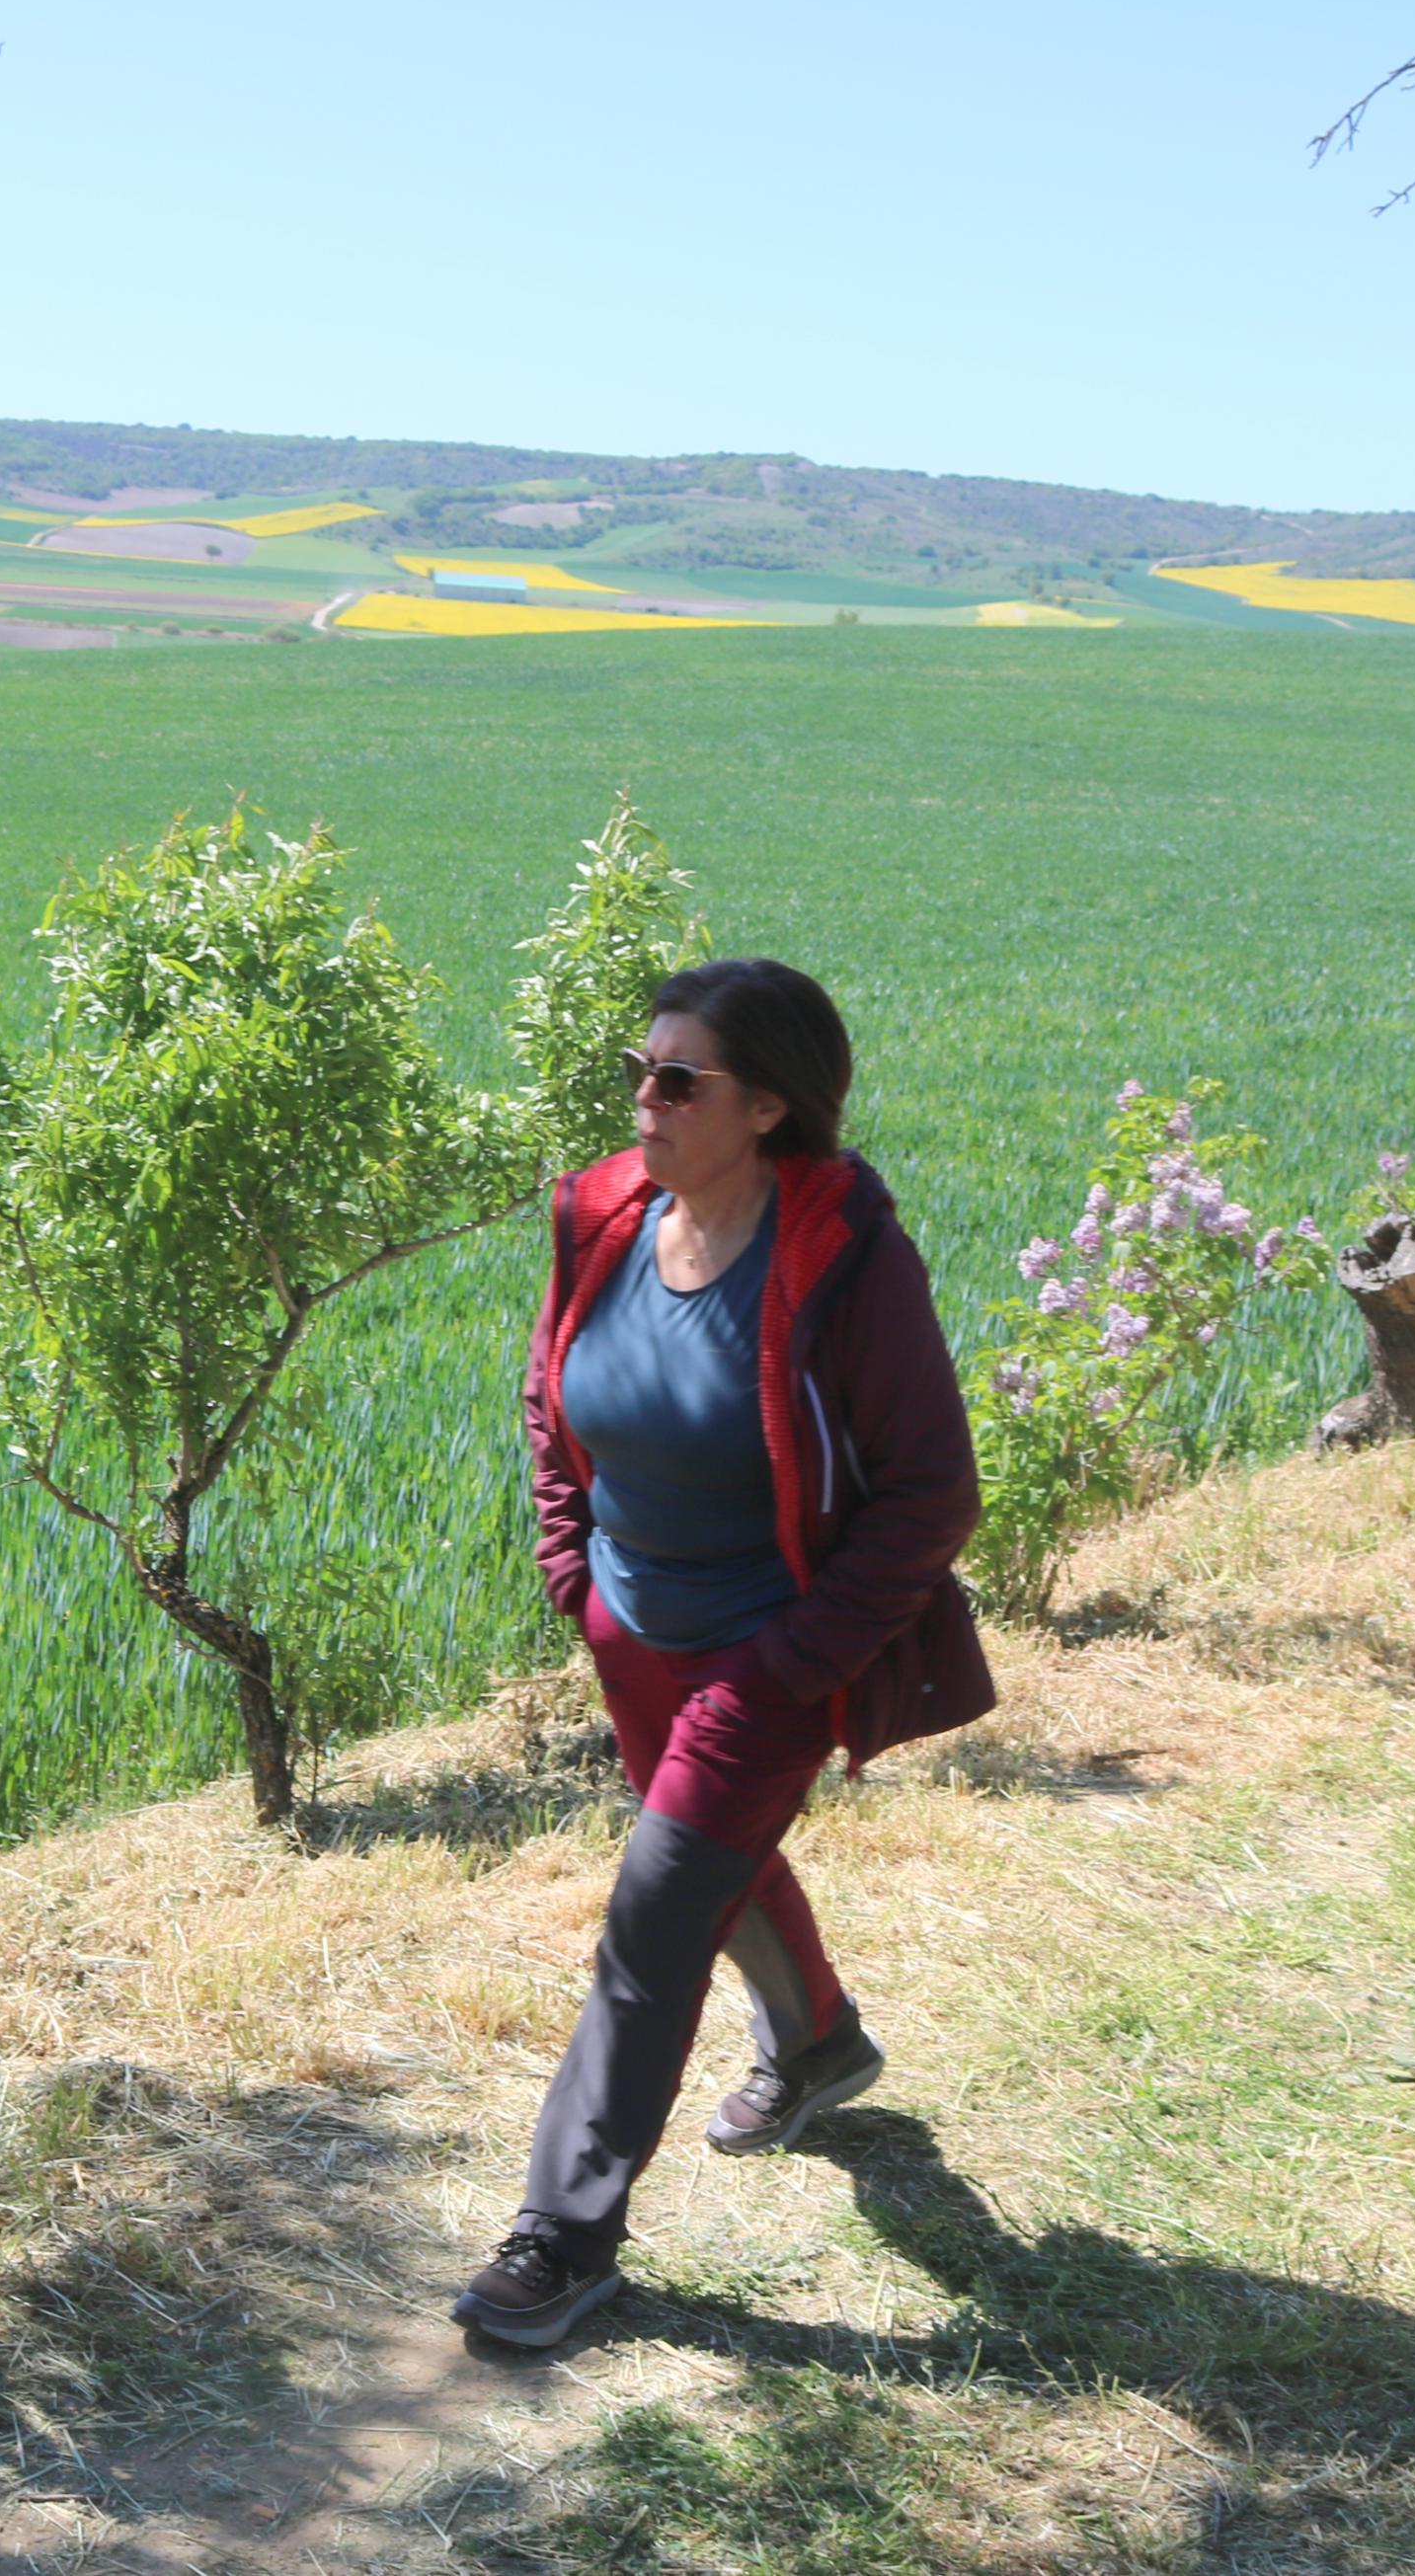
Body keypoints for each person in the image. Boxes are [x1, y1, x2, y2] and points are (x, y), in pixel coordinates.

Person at [458, 958, 992, 2348]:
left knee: (652, 1919)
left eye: (676, 1078)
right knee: (717, 1862)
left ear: (763, 1105)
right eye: (639, 1070)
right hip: (632, 1624)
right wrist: (572, 1568)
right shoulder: (602, 1212)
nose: (643, 1096)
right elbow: (549, 1386)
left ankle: (563, 2235)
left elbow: (931, 1490)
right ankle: (817, 2041)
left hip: (764, 1649)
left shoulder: (840, 1255)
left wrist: (785, 1664)